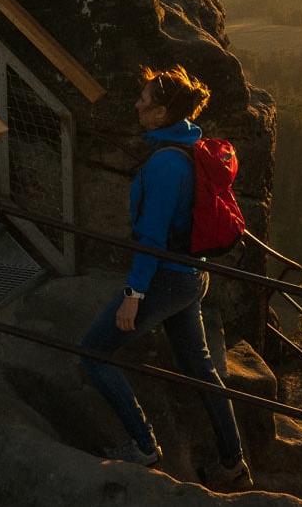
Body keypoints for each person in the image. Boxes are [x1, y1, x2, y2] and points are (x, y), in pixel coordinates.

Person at [79, 65, 251, 491]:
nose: (137, 104)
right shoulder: (191, 144)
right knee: (200, 368)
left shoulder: (164, 166)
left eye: (145, 100)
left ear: (161, 114)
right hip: (192, 274)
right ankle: (233, 462)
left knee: (94, 354)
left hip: (166, 278)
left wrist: (133, 294)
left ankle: (143, 446)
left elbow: (151, 239)